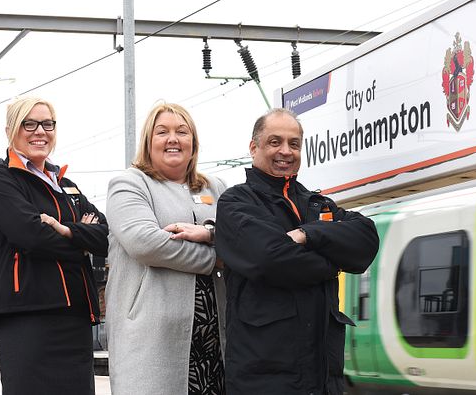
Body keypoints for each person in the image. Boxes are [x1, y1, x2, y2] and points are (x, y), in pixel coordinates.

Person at [215, 108, 380, 395]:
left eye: (294, 144)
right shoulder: (236, 202)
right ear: (254, 147)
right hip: (264, 381)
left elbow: (366, 238)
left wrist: (309, 233)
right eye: (274, 142)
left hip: (322, 379)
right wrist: (332, 264)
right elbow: (270, 259)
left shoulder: (318, 205)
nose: (285, 151)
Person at [0, 97, 108, 395]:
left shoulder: (66, 184)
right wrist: (81, 240)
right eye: (30, 123)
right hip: (28, 314)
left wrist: (64, 229)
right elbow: (31, 236)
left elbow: (104, 236)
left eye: (47, 124)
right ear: (11, 129)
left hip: (76, 314)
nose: (41, 131)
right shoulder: (0, 179)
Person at [105, 102, 228, 394]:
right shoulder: (129, 184)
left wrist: (210, 234)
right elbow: (147, 244)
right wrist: (217, 259)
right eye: (162, 132)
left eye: (182, 132)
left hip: (213, 342)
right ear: (149, 142)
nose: (173, 139)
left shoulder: (217, 187)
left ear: (193, 143)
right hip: (152, 340)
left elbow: (242, 240)